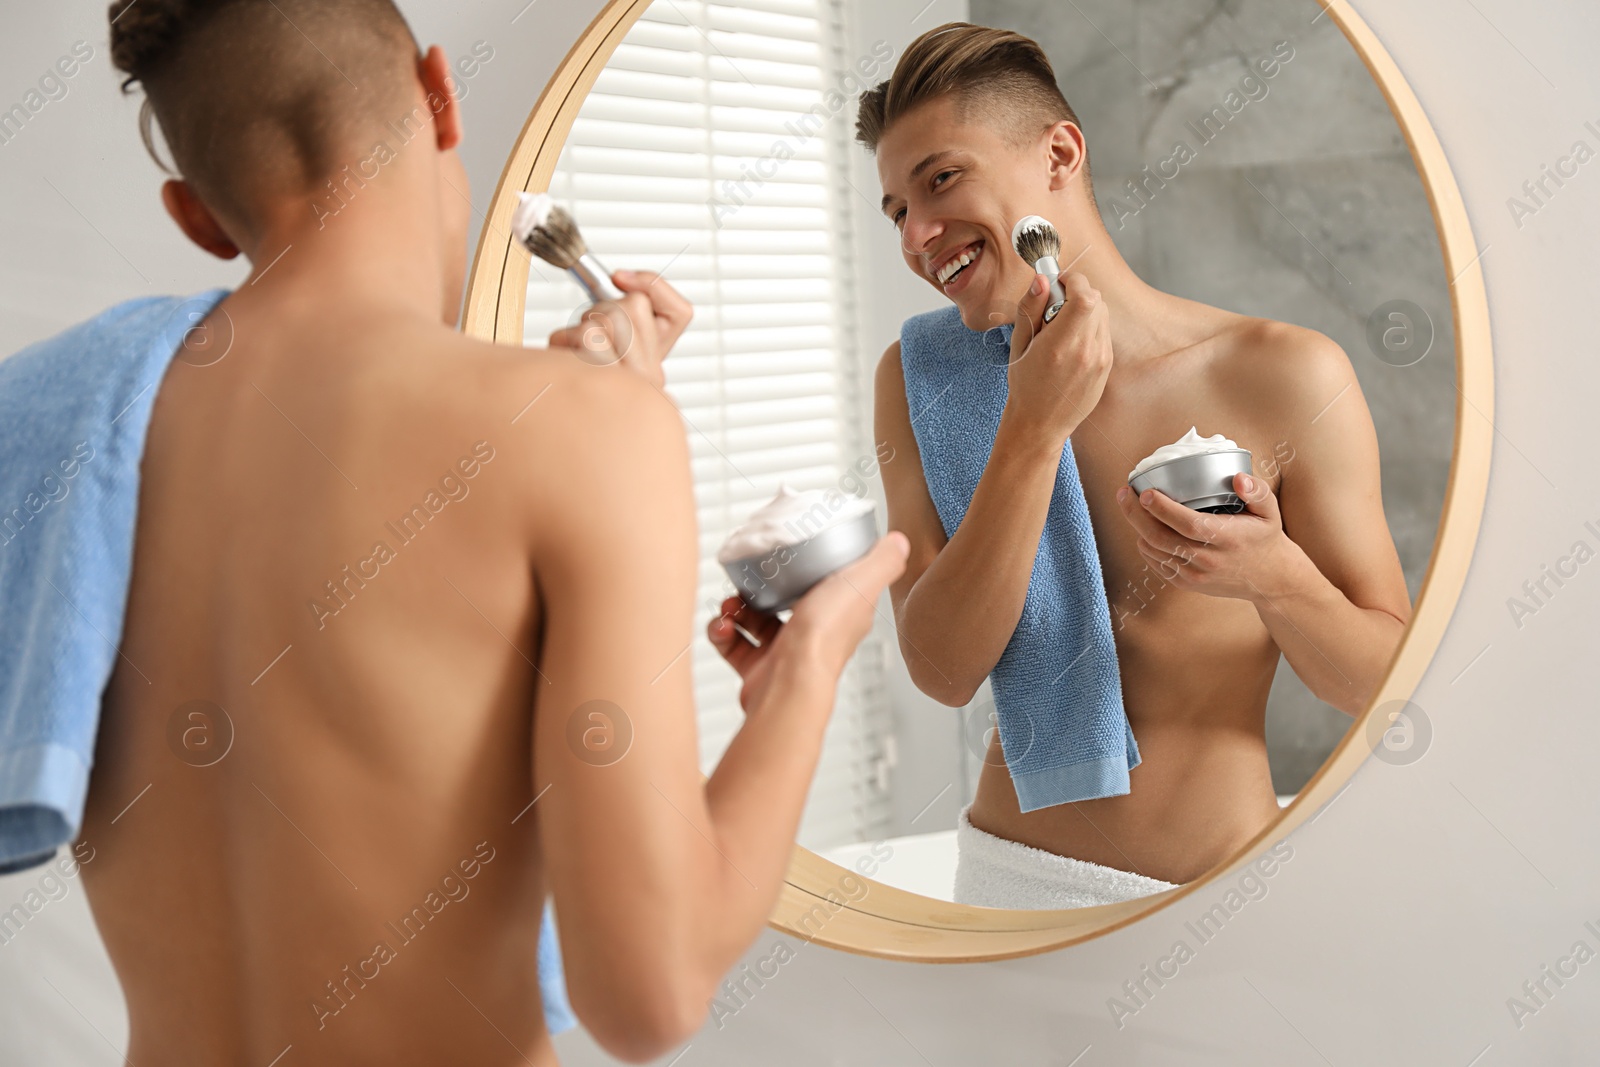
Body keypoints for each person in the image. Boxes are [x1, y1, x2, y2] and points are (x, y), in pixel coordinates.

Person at [73, 1, 908, 1064]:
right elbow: (648, 994)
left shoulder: (64, 437)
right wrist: (808, 668)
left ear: (196, 214)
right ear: (438, 91)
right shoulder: (578, 433)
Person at [859, 24, 1411, 899]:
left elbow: (1387, 684)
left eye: (941, 179)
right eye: (896, 211)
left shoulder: (1283, 375)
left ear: (1059, 155)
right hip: (1011, 887)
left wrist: (1277, 576)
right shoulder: (922, 378)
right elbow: (942, 667)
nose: (919, 234)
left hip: (1220, 895)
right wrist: (1031, 430)